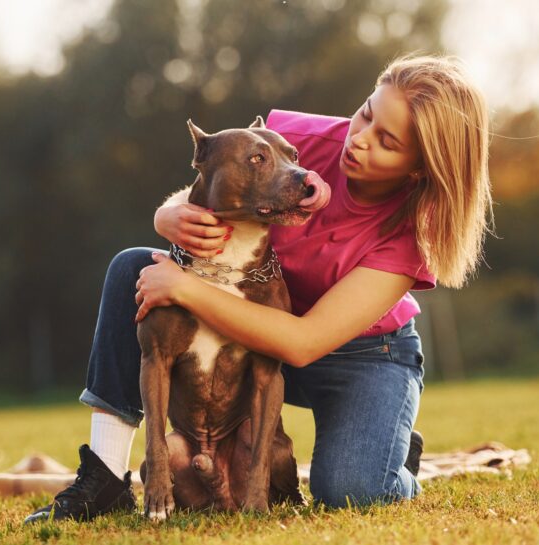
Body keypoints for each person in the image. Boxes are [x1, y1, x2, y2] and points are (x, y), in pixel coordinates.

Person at [24, 54, 493, 523]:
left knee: (353, 488)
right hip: (254, 332)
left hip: (361, 356)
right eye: (367, 112)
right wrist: (167, 214)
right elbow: (213, 176)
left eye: (386, 141)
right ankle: (104, 476)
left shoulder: (411, 230)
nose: (360, 139)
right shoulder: (299, 143)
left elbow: (303, 342)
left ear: (417, 168)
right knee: (133, 268)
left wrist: (185, 290)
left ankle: (392, 454)